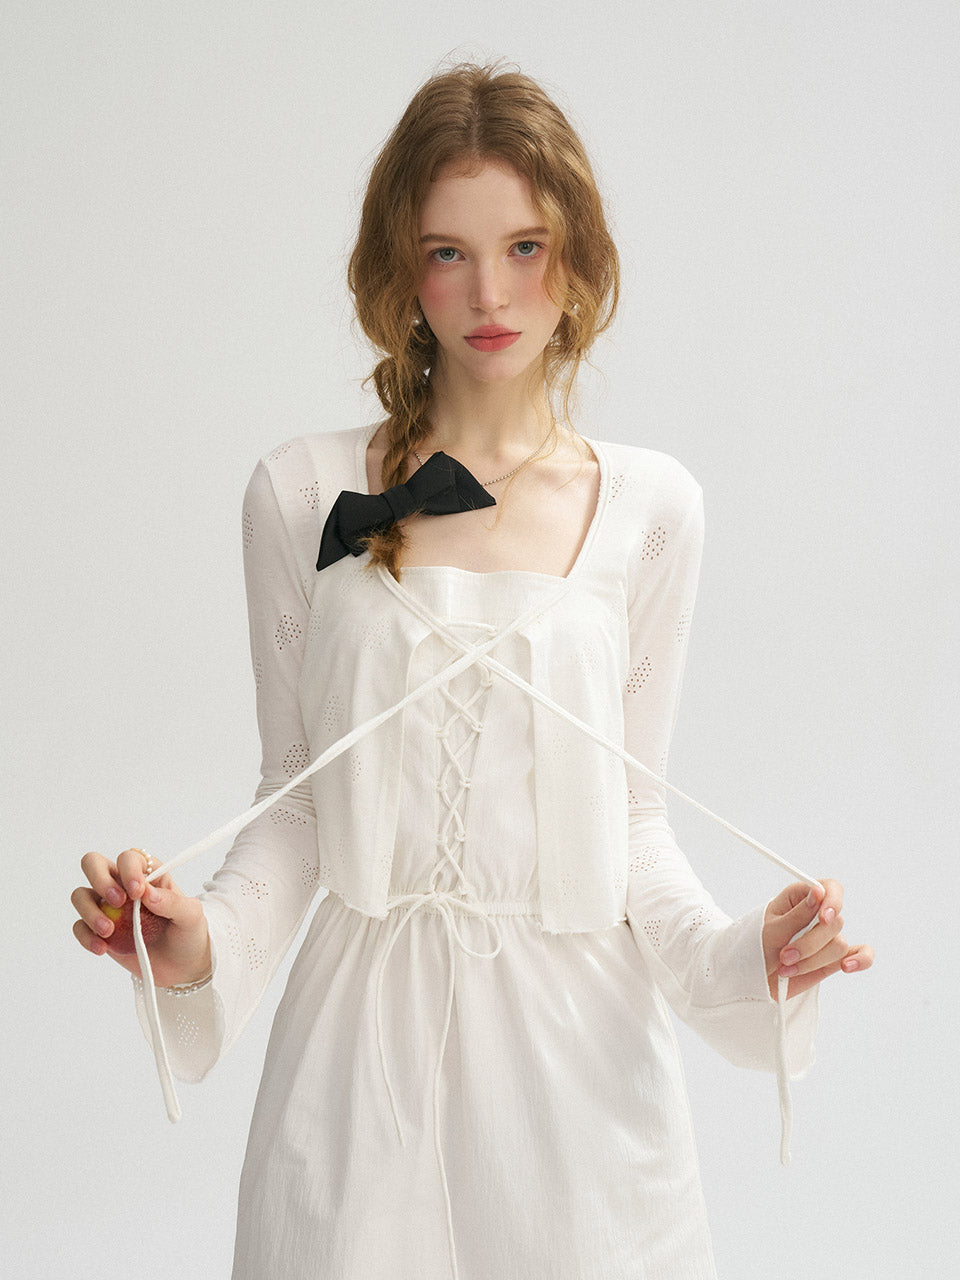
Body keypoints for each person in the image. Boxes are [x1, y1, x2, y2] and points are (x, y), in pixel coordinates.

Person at [71, 63, 873, 1280]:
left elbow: (630, 823)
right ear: (402, 269)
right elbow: (297, 802)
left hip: (582, 1070)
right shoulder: (301, 492)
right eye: (448, 252)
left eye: (525, 246)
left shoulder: (653, 508)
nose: (490, 294)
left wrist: (743, 955)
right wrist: (198, 943)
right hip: (357, 1063)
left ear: (579, 256)